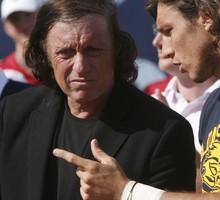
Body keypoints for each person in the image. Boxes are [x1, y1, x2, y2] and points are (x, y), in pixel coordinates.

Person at [53, 0, 220, 199]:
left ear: (207, 17)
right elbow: (211, 190)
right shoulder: (216, 101)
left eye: (169, 31)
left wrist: (127, 191)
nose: (167, 49)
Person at [0, 0, 197, 199]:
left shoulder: (165, 131)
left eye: (92, 50)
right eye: (65, 53)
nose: (80, 67)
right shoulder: (12, 113)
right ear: (46, 56)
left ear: (116, 50)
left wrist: (123, 192)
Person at [148, 30, 220, 191]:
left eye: (168, 32)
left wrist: (174, 132)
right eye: (157, 31)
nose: (156, 42)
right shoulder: (149, 103)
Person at [0, 0, 43, 85]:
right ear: (6, 27)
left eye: (28, 15)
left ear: (41, 15)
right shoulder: (3, 74)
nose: (24, 24)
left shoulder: (61, 63)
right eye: (15, 19)